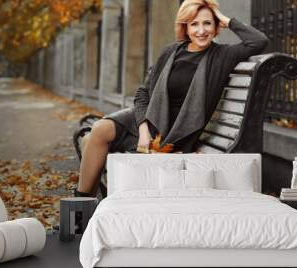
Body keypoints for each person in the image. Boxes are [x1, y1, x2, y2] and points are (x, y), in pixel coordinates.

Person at [75, 0, 269, 197]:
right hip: (146, 121)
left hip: (170, 133)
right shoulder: (171, 52)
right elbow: (144, 93)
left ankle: (80, 212)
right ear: (185, 26)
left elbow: (259, 41)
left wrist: (224, 18)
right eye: (194, 24)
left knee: (93, 136)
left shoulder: (222, 55)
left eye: (207, 23)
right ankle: (83, 210)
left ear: (216, 25)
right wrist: (143, 129)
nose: (201, 30)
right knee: (91, 137)